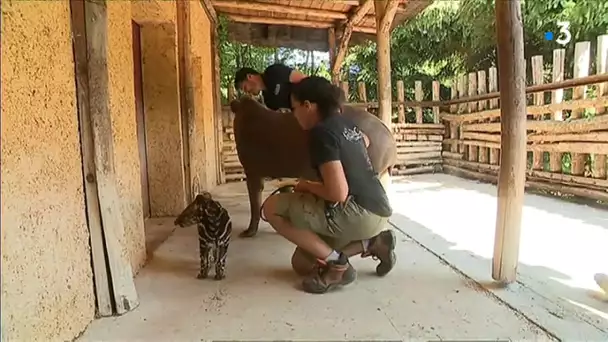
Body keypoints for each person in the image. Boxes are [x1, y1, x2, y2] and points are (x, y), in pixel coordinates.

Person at [261, 76, 396, 294]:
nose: (293, 115)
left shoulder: (320, 133)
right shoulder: (347, 123)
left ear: (308, 106)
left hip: (358, 211)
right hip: (378, 209)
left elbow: (338, 193)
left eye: (293, 109)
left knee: (271, 208)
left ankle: (337, 266)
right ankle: (373, 242)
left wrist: (307, 186)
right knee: (302, 264)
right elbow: (365, 141)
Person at [234, 64, 307, 112]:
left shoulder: (274, 71)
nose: (247, 92)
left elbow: (304, 79)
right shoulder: (268, 102)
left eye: (245, 87)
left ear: (249, 77)